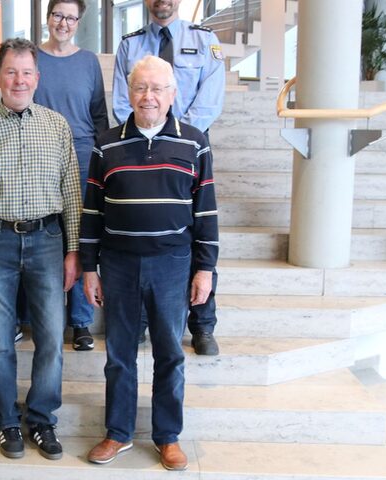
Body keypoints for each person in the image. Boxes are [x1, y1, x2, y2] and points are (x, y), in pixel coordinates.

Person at [82, 55, 218, 471]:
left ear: (173, 94)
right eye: (141, 87)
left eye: (158, 88)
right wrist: (89, 267)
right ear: (128, 91)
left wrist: (205, 268)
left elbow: (206, 211)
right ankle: (118, 432)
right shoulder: (106, 145)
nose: (149, 96)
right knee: (119, 353)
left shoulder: (194, 142)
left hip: (172, 264)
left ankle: (168, 436)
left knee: (169, 354)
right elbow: (92, 211)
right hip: (119, 263)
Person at [0, 38, 81, 461]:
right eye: (11, 71)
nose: (19, 79)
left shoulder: (57, 125)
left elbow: (72, 192)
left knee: (50, 340)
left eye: (26, 72)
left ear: (37, 79)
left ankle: (41, 419)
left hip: (46, 241)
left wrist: (74, 250)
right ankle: (8, 420)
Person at [112, 0, 225, 356]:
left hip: (188, 150)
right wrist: (150, 132)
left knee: (193, 232)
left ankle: (203, 324)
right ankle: (144, 319)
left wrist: (176, 135)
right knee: (149, 232)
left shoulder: (206, 40)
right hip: (137, 150)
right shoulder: (129, 45)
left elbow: (211, 97)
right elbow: (120, 101)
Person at [34, 0, 109, 351]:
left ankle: (80, 321)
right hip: (39, 153)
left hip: (81, 155)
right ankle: (40, 315)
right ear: (48, 18)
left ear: (79, 22)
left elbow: (98, 116)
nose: (63, 23)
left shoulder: (89, 62)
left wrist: (102, 160)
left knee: (80, 239)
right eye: (58, 15)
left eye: (70, 18)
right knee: (44, 236)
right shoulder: (33, 58)